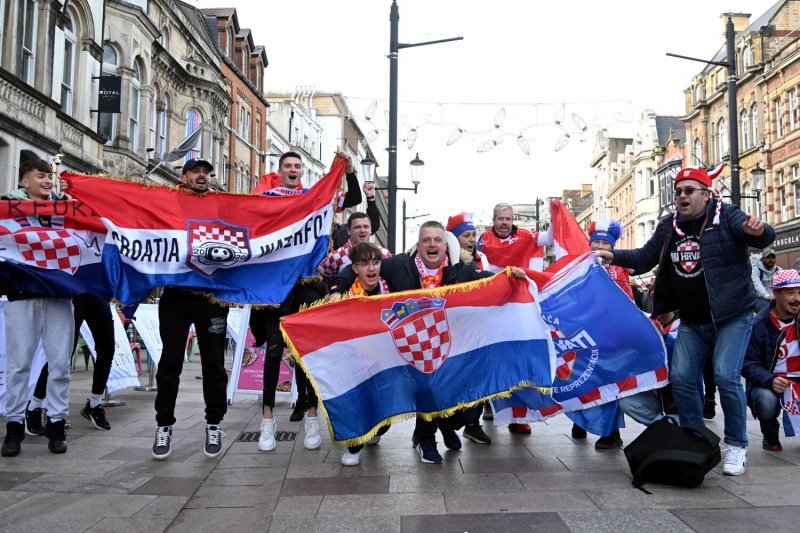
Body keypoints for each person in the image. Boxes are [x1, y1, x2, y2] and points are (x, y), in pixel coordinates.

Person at [595, 165, 775, 476]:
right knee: (681, 376)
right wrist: (614, 256)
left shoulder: (725, 215)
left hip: (732, 316)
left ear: (706, 194)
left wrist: (761, 231)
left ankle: (736, 445)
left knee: (724, 375)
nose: (681, 196)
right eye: (678, 191)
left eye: (689, 190)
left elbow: (758, 236)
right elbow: (644, 257)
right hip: (692, 320)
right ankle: (696, 438)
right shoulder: (669, 227)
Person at [332, 221, 526, 464]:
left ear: (445, 245)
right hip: (403, 349)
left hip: (444, 349)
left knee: (463, 409)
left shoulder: (460, 270)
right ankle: (421, 438)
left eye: (437, 240)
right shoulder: (399, 265)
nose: (432, 244)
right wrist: (337, 287)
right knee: (401, 398)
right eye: (426, 240)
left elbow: (485, 281)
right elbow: (361, 265)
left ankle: (442, 427)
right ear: (419, 244)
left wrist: (509, 276)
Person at [254, 150, 362, 452]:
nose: (293, 169)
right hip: (275, 284)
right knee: (274, 351)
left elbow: (351, 197)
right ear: (280, 170)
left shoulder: (316, 196)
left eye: (297, 166)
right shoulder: (269, 196)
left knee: (305, 352)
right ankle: (267, 421)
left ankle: (312, 417)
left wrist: (348, 170)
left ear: (303, 172)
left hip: (306, 283)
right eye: (288, 166)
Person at [151, 159, 230, 460]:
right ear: (183, 177)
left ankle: (214, 423)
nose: (202, 175)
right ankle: (163, 425)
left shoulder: (220, 205)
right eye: (196, 171)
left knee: (213, 363)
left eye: (207, 172)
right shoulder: (169, 204)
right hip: (175, 296)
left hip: (211, 298)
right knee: (170, 362)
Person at [1, 159, 74, 456]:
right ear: (24, 182)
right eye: (41, 176)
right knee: (19, 365)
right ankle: (14, 427)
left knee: (60, 364)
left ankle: (56, 423)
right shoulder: (7, 207)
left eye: (50, 177)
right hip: (22, 294)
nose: (48, 181)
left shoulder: (67, 209)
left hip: (59, 294)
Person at [477, 202, 553, 434]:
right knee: (490, 357)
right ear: (493, 219)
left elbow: (550, 238)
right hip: (492, 308)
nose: (504, 223)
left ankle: (518, 417)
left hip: (520, 308)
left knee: (518, 358)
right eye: (500, 218)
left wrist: (555, 212)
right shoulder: (481, 241)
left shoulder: (526, 235)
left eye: (508, 219)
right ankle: (489, 402)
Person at [570, 220, 628, 448]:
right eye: (596, 242)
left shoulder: (619, 268)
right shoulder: (579, 267)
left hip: (611, 335)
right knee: (582, 379)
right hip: (584, 333)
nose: (600, 246)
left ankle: (611, 432)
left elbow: (626, 301)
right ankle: (581, 421)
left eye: (606, 243)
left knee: (610, 383)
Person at [26, 294, 115, 435]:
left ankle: (94, 404)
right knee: (62, 354)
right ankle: (34, 406)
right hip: (73, 292)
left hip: (96, 290)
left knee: (107, 350)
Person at [338, 242, 393, 465]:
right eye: (364, 264)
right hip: (352, 361)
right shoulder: (343, 296)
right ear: (354, 268)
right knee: (357, 403)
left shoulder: (391, 288)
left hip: (383, 360)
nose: (371, 269)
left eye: (375, 262)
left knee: (386, 414)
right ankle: (354, 446)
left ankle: (377, 427)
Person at [445, 212, 492, 445]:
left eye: (474, 234)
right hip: (455, 329)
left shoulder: (481, 257)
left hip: (478, 327)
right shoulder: (450, 261)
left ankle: (473, 424)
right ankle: (440, 426)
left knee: (479, 375)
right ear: (454, 239)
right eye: (466, 235)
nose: (472, 239)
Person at [741, 269, 800, 452]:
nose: (797, 298)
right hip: (771, 381)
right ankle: (770, 436)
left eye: (799, 292)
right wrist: (771, 379)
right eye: (790, 293)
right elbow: (747, 363)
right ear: (775, 293)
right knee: (765, 401)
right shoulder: (758, 325)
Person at [319, 211, 391, 278]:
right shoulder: (335, 256)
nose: (362, 230)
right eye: (357, 227)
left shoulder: (384, 254)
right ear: (349, 231)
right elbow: (322, 278)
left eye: (366, 227)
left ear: (371, 230)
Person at [752, 248, 780, 313]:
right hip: (759, 298)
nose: (771, 260)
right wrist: (766, 296)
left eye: (773, 257)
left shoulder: (779, 270)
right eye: (768, 257)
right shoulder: (756, 270)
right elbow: (757, 284)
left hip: (775, 298)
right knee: (770, 310)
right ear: (762, 259)